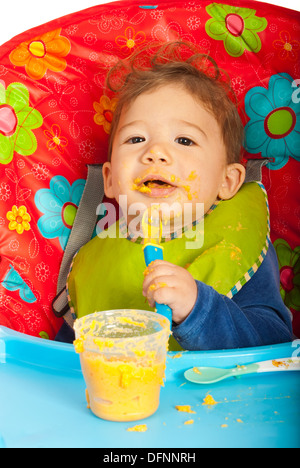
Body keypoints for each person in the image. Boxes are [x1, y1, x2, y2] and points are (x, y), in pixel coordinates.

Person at [56, 42, 293, 350]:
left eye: (184, 139)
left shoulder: (236, 242)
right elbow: (65, 364)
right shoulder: (93, 261)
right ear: (110, 180)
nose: (155, 153)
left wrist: (198, 307)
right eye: (136, 138)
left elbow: (276, 343)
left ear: (228, 181)